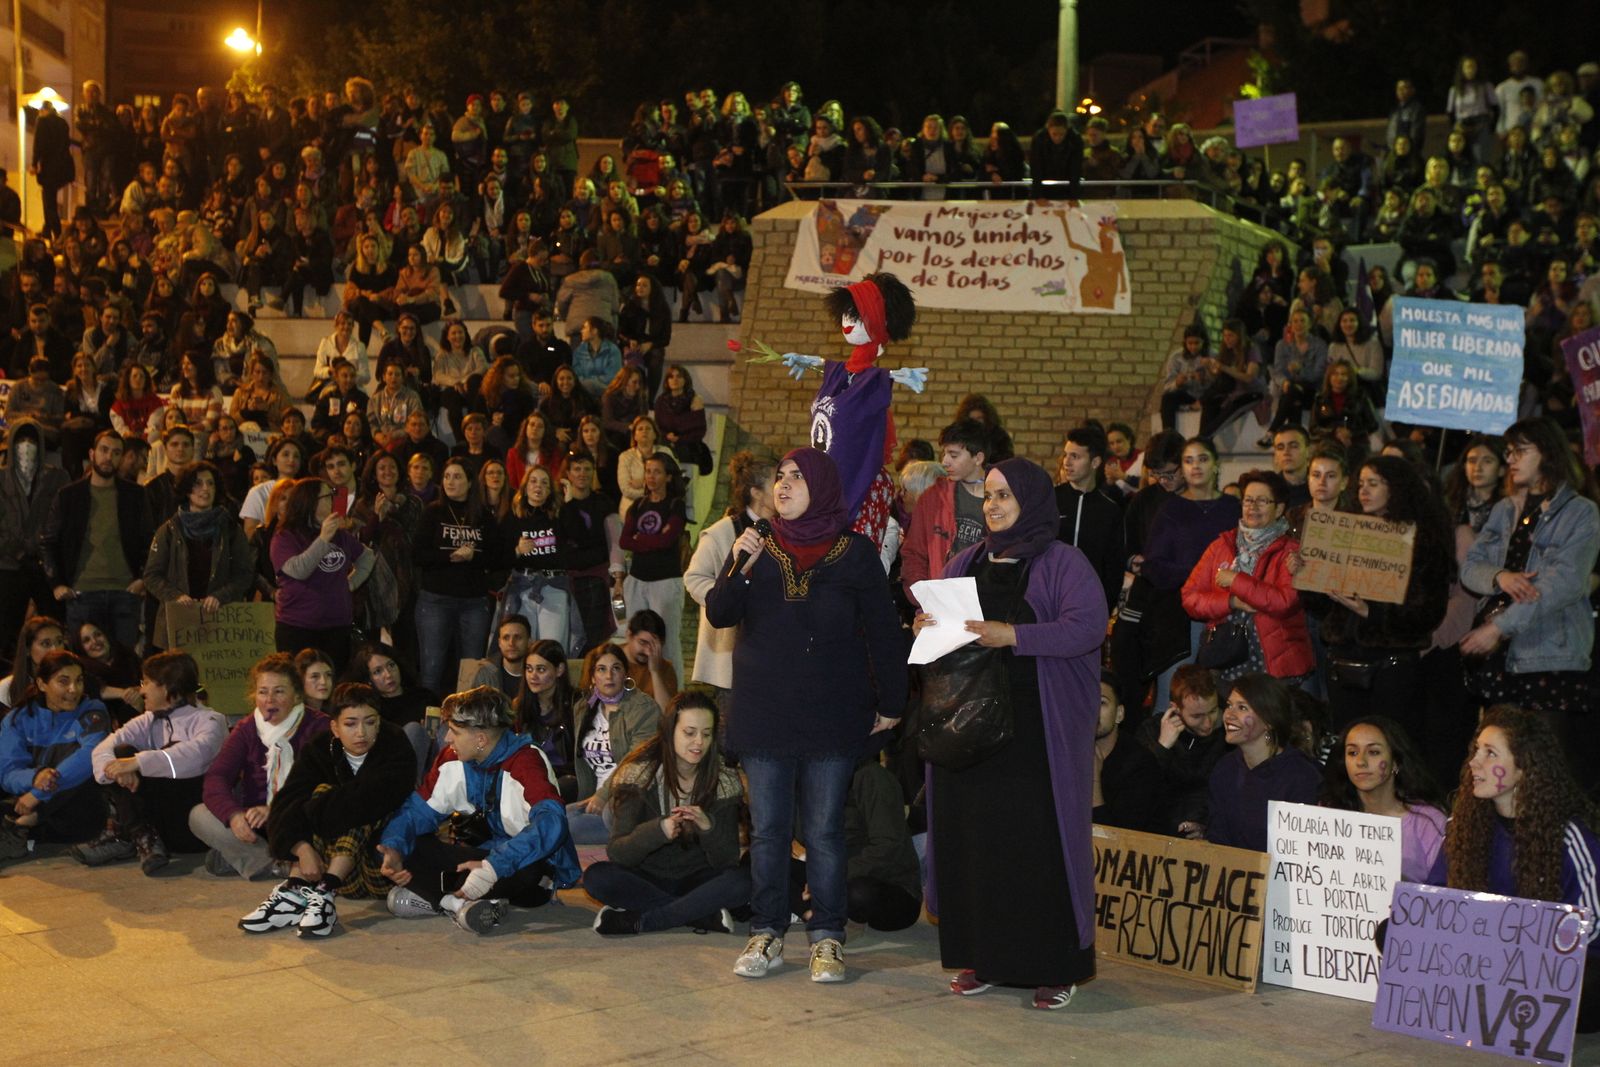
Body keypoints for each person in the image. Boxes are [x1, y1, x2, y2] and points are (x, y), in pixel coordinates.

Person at [910, 456, 1105, 1008]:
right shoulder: (964, 561)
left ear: (1032, 501)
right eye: (989, 495)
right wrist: (925, 624)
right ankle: (985, 959)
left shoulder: (1064, 563)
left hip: (1035, 735)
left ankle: (1054, 968)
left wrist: (1013, 635)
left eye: (1004, 496)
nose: (992, 505)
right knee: (976, 847)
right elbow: (947, 632)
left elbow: (1087, 628)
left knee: (1035, 849)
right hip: (969, 731)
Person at [707, 447, 904, 984]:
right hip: (765, 713)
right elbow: (720, 613)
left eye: (797, 476)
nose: (784, 485)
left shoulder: (856, 553)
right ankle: (766, 932)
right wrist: (738, 563)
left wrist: (892, 704)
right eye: (780, 477)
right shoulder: (756, 546)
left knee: (823, 832)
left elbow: (883, 632)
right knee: (768, 832)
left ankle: (827, 936)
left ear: (821, 486)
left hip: (831, 715)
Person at [1423, 706, 1600, 1031]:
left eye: (1490, 753)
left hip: (1546, 968)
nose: (1474, 762)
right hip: (1481, 963)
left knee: (1589, 986)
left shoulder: (1568, 836)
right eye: (1476, 751)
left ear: (1523, 768)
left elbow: (1594, 927)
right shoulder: (1462, 825)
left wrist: (1526, 951)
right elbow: (1436, 899)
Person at [378, 685, 582, 934]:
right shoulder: (452, 758)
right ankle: (455, 903)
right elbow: (416, 812)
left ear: (481, 740)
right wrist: (394, 848)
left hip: (526, 864)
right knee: (391, 843)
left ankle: (435, 897)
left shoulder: (526, 762)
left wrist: (492, 868)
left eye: (455, 732)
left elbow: (553, 824)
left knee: (529, 871)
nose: (447, 738)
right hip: (484, 856)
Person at [1459, 419, 1600, 780]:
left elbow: (1563, 584)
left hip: (1550, 656)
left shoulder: (1581, 511)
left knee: (1545, 773)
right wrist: (1499, 576)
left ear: (1548, 453)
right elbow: (1470, 568)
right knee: (1500, 769)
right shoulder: (1505, 509)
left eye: (1520, 451)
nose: (1510, 460)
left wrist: (1499, 628)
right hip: (1503, 662)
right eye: (1508, 452)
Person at [241, 683, 417, 938]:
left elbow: (374, 799)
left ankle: (324, 891)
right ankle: (296, 890)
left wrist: (313, 809)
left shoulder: (394, 743)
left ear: (379, 722)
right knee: (328, 797)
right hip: (331, 867)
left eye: (370, 722)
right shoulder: (320, 747)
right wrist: (302, 849)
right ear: (335, 727)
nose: (361, 732)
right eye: (350, 724)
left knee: (354, 800)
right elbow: (285, 802)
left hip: (383, 867)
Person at [1311, 456, 1453, 742]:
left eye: (1373, 484)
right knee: (1348, 743)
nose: (1363, 490)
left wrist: (1372, 612)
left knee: (1389, 744)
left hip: (1391, 667)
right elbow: (1319, 606)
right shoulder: (1343, 534)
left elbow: (1428, 612)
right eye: (1361, 483)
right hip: (1343, 661)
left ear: (1395, 488)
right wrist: (1308, 576)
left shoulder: (1422, 541)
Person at [585, 691, 750, 936]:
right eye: (689, 733)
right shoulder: (638, 773)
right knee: (597, 877)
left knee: (742, 881)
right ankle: (701, 914)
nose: (699, 743)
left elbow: (727, 861)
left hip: (698, 879)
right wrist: (658, 831)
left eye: (706, 734)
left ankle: (643, 921)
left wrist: (708, 827)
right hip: (646, 876)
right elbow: (618, 853)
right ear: (669, 731)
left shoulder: (723, 779)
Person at [77, 651, 223, 874]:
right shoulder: (149, 719)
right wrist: (119, 770)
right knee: (120, 751)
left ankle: (127, 836)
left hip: (193, 827)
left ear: (166, 688)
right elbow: (103, 748)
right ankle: (141, 835)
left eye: (146, 682)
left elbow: (196, 755)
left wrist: (138, 762)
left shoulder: (211, 720)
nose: (142, 690)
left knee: (156, 755)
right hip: (161, 824)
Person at [190, 654, 328, 879]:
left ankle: (241, 856)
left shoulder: (319, 726)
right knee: (198, 815)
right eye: (263, 692)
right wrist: (234, 815)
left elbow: (322, 784)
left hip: (301, 817)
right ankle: (275, 864)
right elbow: (217, 777)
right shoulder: (247, 728)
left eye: (279, 691)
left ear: (297, 695)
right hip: (256, 823)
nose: (269, 700)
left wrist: (276, 809)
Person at [1182, 470, 1313, 685]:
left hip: (1276, 663)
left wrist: (1236, 581)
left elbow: (1285, 602)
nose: (1253, 507)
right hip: (1226, 658)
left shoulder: (1291, 552)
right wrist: (1230, 601)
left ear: (1279, 508)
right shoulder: (1221, 546)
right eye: (1248, 500)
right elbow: (1189, 597)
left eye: (1262, 501)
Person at [40, 431, 154, 652]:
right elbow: (48, 541)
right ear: (92, 454)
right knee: (83, 664)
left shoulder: (135, 495)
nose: (109, 457)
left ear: (122, 458)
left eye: (116, 452)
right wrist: (56, 584)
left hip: (125, 591)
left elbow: (151, 541)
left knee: (125, 662)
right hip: (82, 593)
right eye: (104, 450)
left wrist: (143, 579)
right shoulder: (68, 496)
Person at [683, 451, 774, 717]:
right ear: (756, 493)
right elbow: (693, 578)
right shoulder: (722, 532)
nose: (784, 487)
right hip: (731, 653)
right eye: (777, 480)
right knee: (731, 728)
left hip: (770, 651)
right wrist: (723, 599)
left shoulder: (785, 530)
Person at [0, 651, 111, 862]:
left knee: (87, 765)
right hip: (27, 804)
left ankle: (24, 825)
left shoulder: (92, 711)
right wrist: (35, 777)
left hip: (77, 812)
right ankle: (21, 829)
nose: (74, 689)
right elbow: (7, 772)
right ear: (42, 684)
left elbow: (90, 755)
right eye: (64, 681)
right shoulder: (18, 718)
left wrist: (39, 794)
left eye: (79, 681)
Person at [142, 462, 256, 647]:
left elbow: (244, 573)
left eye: (210, 483)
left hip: (219, 623)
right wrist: (175, 596)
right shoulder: (169, 530)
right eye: (198, 483)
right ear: (187, 490)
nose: (205, 489)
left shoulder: (231, 529)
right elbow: (151, 575)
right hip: (181, 624)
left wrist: (221, 596)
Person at [1320, 717, 1446, 883]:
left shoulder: (1428, 822)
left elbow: (1445, 890)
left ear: (1395, 762)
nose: (1361, 762)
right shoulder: (1328, 814)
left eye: (1373, 752)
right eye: (1352, 753)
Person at [412, 457, 497, 699]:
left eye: (457, 476)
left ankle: (468, 716)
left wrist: (473, 557)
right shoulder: (433, 512)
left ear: (470, 483)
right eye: (447, 476)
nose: (450, 482)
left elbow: (498, 556)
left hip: (474, 601)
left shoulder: (483, 515)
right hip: (435, 600)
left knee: (471, 670)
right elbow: (417, 554)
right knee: (432, 669)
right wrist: (450, 556)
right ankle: (429, 717)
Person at [1205, 673, 1320, 851]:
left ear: (1269, 720)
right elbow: (1218, 837)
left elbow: (1301, 851)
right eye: (1229, 705)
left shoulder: (1302, 777)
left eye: (1242, 708)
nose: (1229, 715)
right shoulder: (1225, 769)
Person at [270, 477, 372, 667]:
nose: (333, 501)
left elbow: (367, 557)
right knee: (300, 679)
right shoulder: (285, 537)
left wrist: (349, 584)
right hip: (298, 626)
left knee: (335, 678)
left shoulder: (340, 535)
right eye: (328, 496)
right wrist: (323, 539)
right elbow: (298, 570)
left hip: (337, 624)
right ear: (310, 502)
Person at [567, 643, 662, 845]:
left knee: (566, 827)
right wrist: (593, 798)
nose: (609, 676)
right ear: (593, 677)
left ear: (626, 673)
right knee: (558, 815)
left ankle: (636, 835)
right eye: (601, 669)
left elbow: (636, 763)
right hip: (595, 798)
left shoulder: (643, 708)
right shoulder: (583, 708)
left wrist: (603, 796)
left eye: (616, 668)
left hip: (630, 795)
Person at [901, 419, 992, 605]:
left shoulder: (1000, 499)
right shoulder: (933, 498)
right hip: (940, 604)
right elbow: (914, 553)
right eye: (944, 453)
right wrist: (924, 597)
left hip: (986, 603)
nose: (944, 462)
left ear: (978, 458)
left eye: (954, 455)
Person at [619, 453, 687, 682]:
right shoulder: (638, 505)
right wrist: (653, 540)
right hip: (638, 578)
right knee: (635, 638)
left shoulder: (675, 505)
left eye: (657, 472)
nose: (651, 476)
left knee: (666, 640)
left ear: (668, 476)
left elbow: (667, 541)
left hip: (665, 580)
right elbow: (625, 540)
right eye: (648, 471)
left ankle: (673, 689)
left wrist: (641, 540)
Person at [1054, 427, 1124, 613]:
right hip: (1049, 602)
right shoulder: (1050, 500)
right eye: (1066, 455)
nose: (1066, 462)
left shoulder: (1110, 511)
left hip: (1089, 606)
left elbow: (1114, 568)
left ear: (1095, 462)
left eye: (1075, 456)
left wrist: (1104, 607)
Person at [516, 640, 579, 801]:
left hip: (564, 779)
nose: (533, 676)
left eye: (541, 669)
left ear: (559, 670)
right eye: (529, 669)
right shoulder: (519, 706)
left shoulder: (577, 704)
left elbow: (580, 760)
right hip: (529, 778)